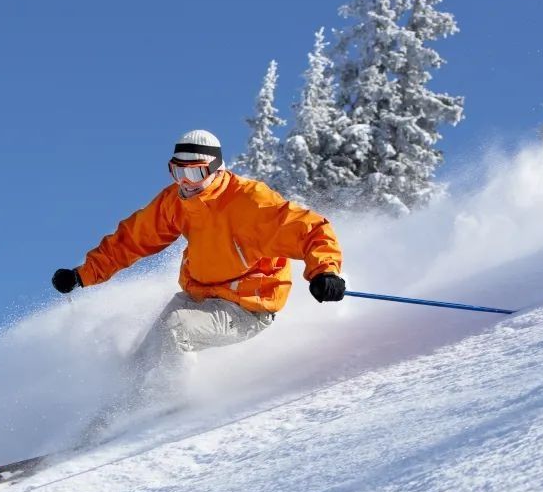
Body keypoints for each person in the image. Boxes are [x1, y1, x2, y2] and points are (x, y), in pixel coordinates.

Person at [51, 129, 345, 416]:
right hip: (200, 295)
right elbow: (132, 239)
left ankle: (167, 408)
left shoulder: (250, 202)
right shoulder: (176, 202)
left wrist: (325, 271)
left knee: (175, 329)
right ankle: (109, 421)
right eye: (177, 173)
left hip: (248, 306)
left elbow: (311, 229)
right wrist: (83, 274)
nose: (186, 183)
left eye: (195, 173)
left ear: (216, 169)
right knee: (143, 357)